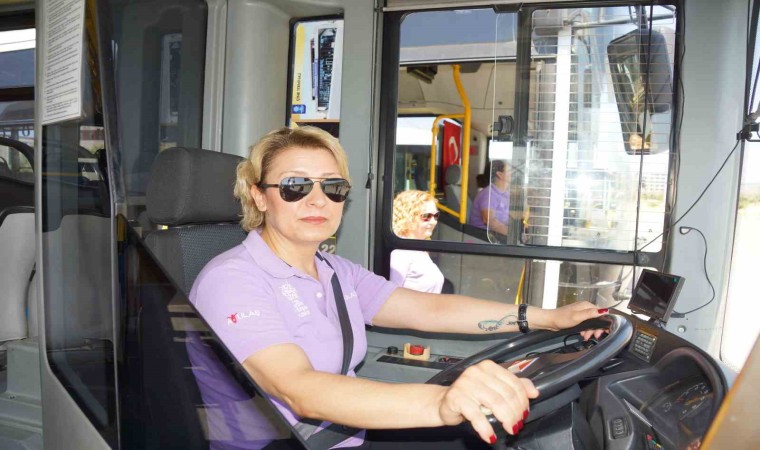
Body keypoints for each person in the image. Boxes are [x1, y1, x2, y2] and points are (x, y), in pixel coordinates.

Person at [190, 126, 608, 449]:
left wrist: (547, 318)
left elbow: (429, 310)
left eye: (332, 187)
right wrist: (441, 403)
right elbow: (299, 390)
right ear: (259, 197)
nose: (318, 200)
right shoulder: (231, 280)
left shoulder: (333, 269)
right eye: (295, 186)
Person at [390, 190, 445, 294]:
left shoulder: (419, 248)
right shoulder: (400, 253)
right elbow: (391, 294)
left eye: (436, 216)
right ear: (408, 216)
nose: (433, 222)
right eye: (426, 216)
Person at [470, 160, 510, 237]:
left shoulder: (505, 194)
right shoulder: (489, 194)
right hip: (483, 238)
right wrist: (512, 234)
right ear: (500, 174)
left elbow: (512, 214)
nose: (512, 173)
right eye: (509, 171)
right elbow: (488, 220)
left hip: (497, 236)